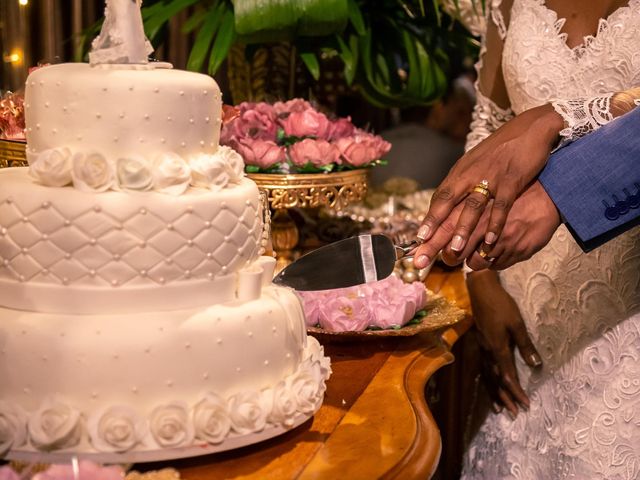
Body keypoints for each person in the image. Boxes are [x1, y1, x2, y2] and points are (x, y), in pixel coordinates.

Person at [412, 1, 640, 478]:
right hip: (524, 301)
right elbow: (490, 127)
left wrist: (556, 117)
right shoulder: (507, 4)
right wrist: (481, 276)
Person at [369, 76, 474, 189]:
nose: (470, 120)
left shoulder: (377, 143)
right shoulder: (454, 153)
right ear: (438, 107)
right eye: (461, 113)